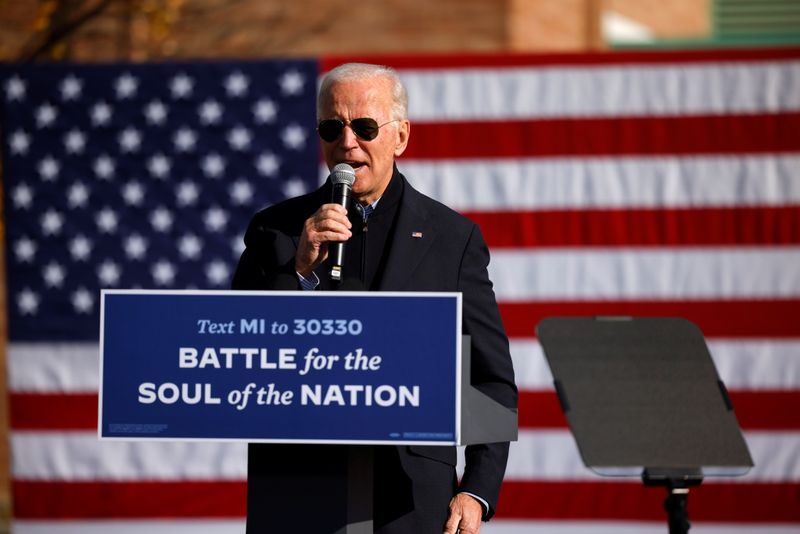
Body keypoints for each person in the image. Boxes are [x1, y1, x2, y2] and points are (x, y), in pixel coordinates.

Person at [232, 62, 517, 534]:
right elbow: (238, 350)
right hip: (300, 489)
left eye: (365, 127)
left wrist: (477, 489)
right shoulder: (274, 230)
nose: (348, 143)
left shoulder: (452, 238)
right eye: (332, 127)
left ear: (400, 136)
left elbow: (491, 378)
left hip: (410, 498)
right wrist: (298, 272)